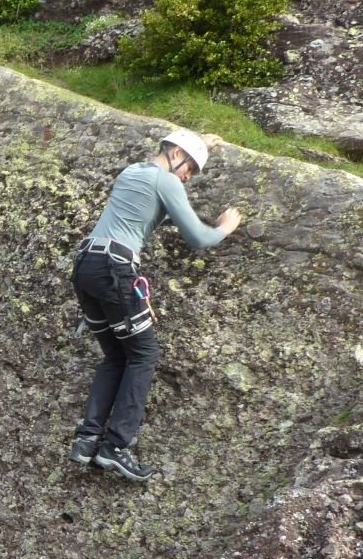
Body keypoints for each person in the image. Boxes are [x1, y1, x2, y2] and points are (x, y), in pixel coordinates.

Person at [69, 128, 241, 483]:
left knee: (116, 355)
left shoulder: (132, 171)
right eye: (190, 167)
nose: (189, 177)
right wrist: (225, 227)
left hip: (87, 265)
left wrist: (201, 146)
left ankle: (87, 440)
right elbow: (198, 238)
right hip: (115, 268)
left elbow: (150, 209)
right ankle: (115, 447)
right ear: (175, 152)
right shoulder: (167, 181)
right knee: (144, 354)